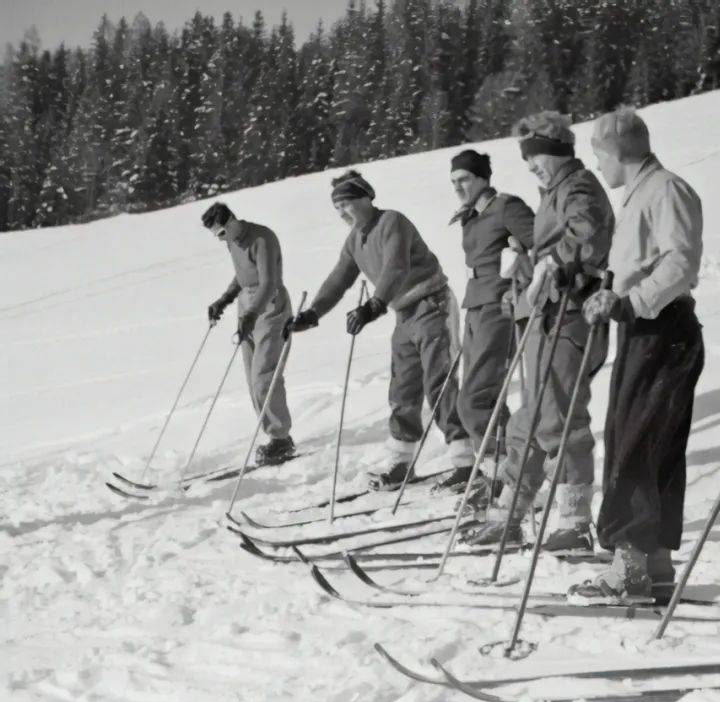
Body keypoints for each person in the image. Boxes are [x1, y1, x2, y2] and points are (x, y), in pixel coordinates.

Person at [565, 107, 705, 603]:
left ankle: (629, 568)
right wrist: (610, 293)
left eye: (599, 154)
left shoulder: (664, 188)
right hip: (645, 329)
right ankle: (655, 563)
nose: (598, 165)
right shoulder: (640, 195)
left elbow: (681, 262)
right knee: (649, 445)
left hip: (661, 330)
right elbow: (637, 263)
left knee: (636, 447)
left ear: (617, 151)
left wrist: (629, 302)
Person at [464, 111, 614, 552]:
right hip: (546, 314)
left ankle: (573, 519)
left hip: (570, 315)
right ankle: (510, 512)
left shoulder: (578, 186)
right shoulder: (554, 191)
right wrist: (523, 284)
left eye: (536, 160)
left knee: (560, 418)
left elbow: (585, 235)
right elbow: (548, 255)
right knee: (527, 420)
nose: (532, 168)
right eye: (528, 163)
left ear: (557, 153)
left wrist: (556, 263)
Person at [286, 171, 473, 489]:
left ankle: (466, 462)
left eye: (347, 204)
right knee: (403, 390)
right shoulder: (354, 241)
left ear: (366, 199)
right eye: (337, 208)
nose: (343, 213)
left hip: (433, 305)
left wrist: (374, 304)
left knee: (439, 384)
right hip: (403, 314)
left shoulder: (392, 222)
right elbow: (338, 279)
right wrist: (313, 313)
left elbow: (396, 266)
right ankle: (401, 462)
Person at [446, 149, 536, 492]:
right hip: (475, 306)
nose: (458, 186)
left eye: (465, 179)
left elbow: (541, 246)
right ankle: (503, 474)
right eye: (454, 181)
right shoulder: (470, 215)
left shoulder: (506, 207)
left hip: (500, 307)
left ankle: (504, 477)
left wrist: (521, 264)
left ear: (484, 178)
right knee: (484, 396)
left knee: (475, 400)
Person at [203, 202, 296, 465]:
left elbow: (268, 281)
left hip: (270, 306)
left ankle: (281, 438)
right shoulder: (232, 243)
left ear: (232, 221)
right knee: (251, 376)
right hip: (247, 306)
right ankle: (274, 436)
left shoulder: (262, 237)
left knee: (263, 377)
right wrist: (224, 300)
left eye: (222, 233)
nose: (221, 239)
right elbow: (242, 276)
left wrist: (251, 314)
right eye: (216, 236)